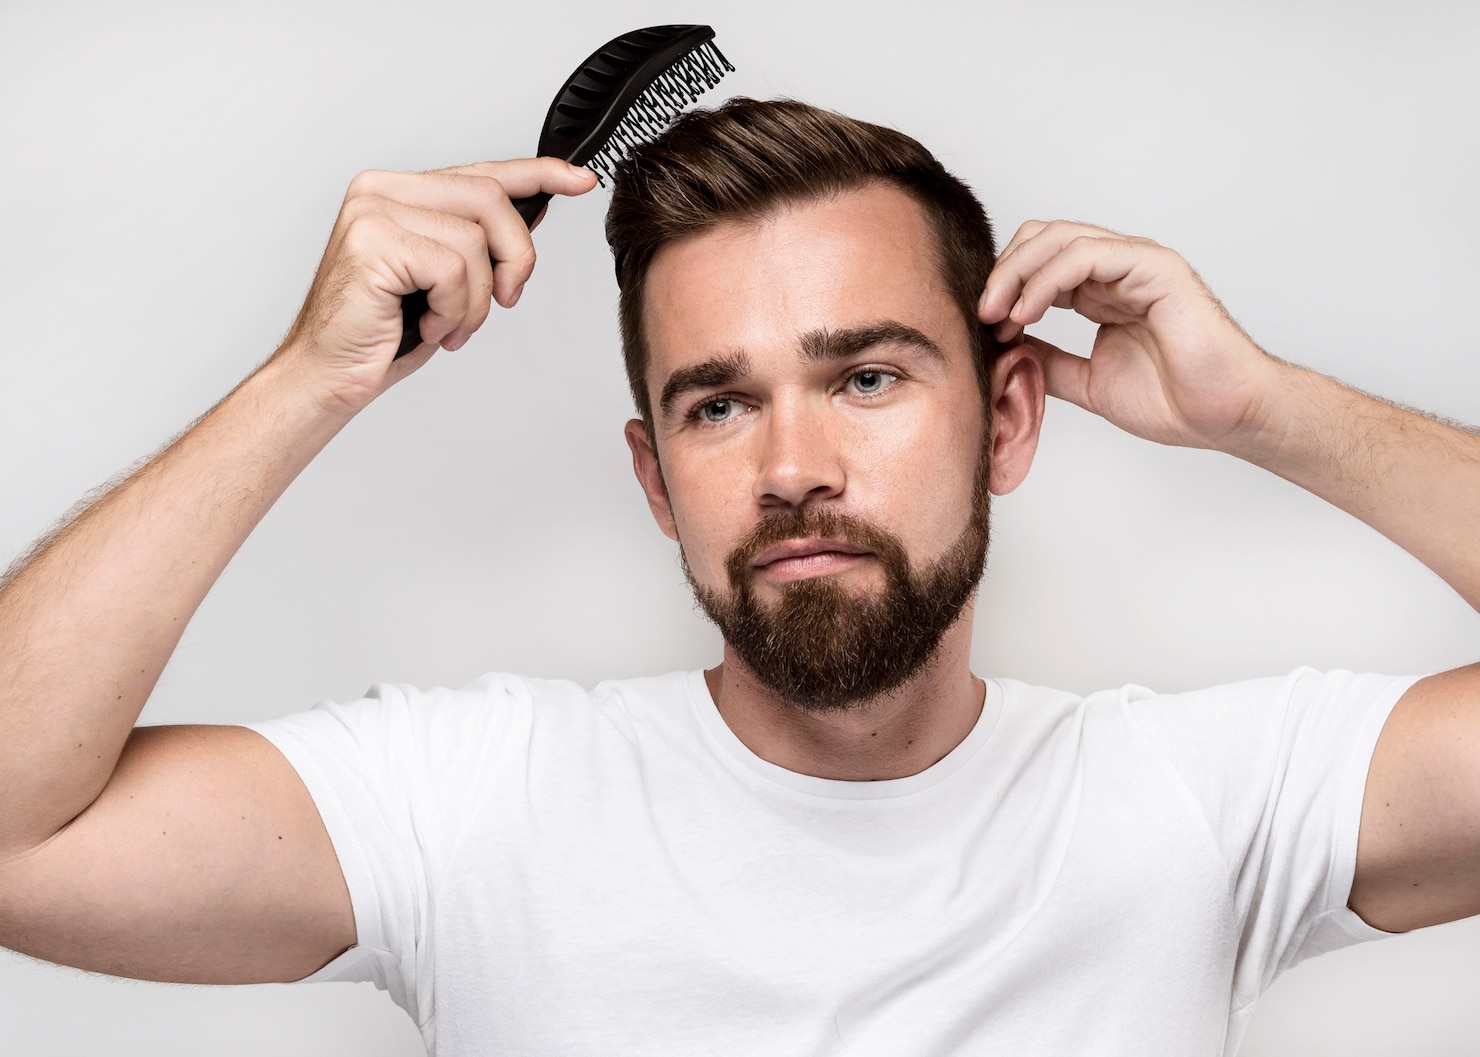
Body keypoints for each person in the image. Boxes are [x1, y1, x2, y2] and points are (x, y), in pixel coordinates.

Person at [0, 96, 1476, 1055]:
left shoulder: (1204, 798)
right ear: (656, 479)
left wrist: (1268, 407)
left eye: (868, 378)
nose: (792, 464)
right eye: (718, 403)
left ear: (1009, 417)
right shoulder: (474, 801)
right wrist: (304, 382)